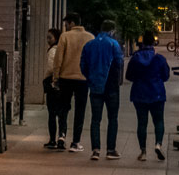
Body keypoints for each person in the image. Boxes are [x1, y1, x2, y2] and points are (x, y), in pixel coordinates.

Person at [80, 19, 124, 160]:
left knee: (95, 119)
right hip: (111, 86)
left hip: (95, 86)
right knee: (112, 118)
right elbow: (119, 62)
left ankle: (96, 150)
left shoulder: (89, 45)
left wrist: (90, 77)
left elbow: (83, 65)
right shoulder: (113, 44)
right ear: (112, 30)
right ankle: (110, 149)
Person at [52, 13, 94, 152]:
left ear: (71, 23)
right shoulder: (90, 37)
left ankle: (62, 135)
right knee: (80, 110)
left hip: (66, 77)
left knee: (63, 107)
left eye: (66, 24)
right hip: (83, 79)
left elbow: (58, 59)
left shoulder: (65, 37)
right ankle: (76, 141)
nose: (65, 27)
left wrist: (56, 77)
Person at [126, 31, 171, 161]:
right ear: (153, 43)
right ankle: (158, 143)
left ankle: (143, 151)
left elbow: (129, 76)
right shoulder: (160, 59)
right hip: (157, 93)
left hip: (139, 93)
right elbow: (166, 76)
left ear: (142, 42)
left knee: (142, 122)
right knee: (158, 120)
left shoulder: (135, 58)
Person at [43, 28, 63, 147]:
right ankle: (61, 137)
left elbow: (51, 67)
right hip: (61, 84)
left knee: (51, 113)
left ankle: (52, 139)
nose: (48, 40)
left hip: (52, 83)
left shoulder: (52, 51)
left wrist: (52, 78)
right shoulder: (61, 50)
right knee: (60, 113)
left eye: (50, 37)